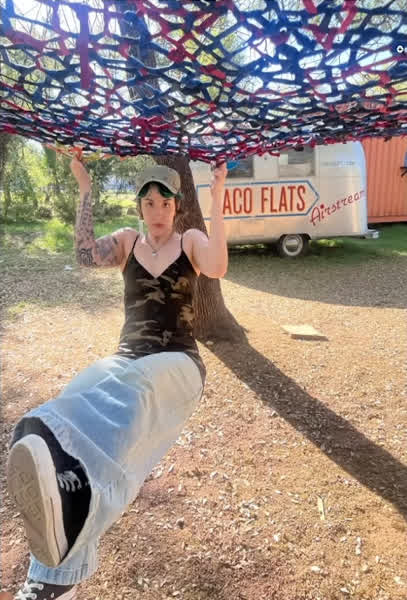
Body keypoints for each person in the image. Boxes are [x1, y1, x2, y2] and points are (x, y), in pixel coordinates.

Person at [7, 157, 228, 600]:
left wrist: (219, 195)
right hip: (127, 359)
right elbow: (83, 255)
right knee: (78, 394)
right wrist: (85, 189)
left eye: (164, 202)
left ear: (176, 206)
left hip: (178, 363)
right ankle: (53, 579)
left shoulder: (190, 241)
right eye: (148, 202)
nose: (157, 210)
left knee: (136, 388)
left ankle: (59, 463)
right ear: (139, 207)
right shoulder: (128, 242)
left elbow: (218, 266)